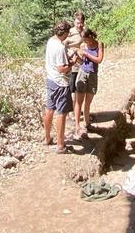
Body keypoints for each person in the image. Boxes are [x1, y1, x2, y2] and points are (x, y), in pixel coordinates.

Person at [42, 21, 74, 154]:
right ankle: (60, 145)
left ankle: (47, 138)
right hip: (61, 82)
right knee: (62, 113)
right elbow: (62, 69)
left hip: (50, 80)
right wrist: (72, 63)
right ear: (65, 33)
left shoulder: (51, 41)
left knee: (49, 109)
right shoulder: (60, 48)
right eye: (68, 33)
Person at [73, 28, 104, 133]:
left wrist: (87, 55)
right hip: (83, 73)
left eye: (86, 39)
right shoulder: (83, 45)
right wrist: (78, 56)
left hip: (93, 75)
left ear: (90, 36)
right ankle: (77, 125)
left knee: (88, 101)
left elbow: (99, 60)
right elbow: (82, 61)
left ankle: (87, 123)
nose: (85, 42)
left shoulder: (99, 44)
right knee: (79, 101)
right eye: (83, 40)